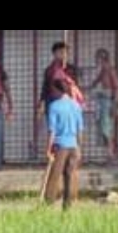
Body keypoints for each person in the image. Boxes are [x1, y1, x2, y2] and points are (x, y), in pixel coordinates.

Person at [45, 79, 83, 209]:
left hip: (61, 146)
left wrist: (49, 149)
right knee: (70, 176)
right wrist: (79, 147)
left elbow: (52, 131)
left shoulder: (54, 106)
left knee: (54, 176)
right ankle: (68, 205)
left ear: (57, 90)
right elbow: (80, 129)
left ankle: (47, 204)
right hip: (73, 146)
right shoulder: (76, 105)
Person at [88, 48, 118, 162]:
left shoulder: (110, 70)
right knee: (102, 128)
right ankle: (109, 154)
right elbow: (95, 82)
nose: (96, 61)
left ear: (102, 59)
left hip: (108, 102)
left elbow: (116, 88)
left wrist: (114, 105)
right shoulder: (103, 71)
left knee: (106, 129)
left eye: (98, 58)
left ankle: (111, 154)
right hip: (102, 101)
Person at [38, 42, 79, 117]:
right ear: (54, 53)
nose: (64, 55)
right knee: (53, 126)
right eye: (61, 52)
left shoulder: (71, 69)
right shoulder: (49, 70)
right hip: (52, 102)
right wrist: (41, 103)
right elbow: (45, 88)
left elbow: (75, 86)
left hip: (67, 103)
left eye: (66, 52)